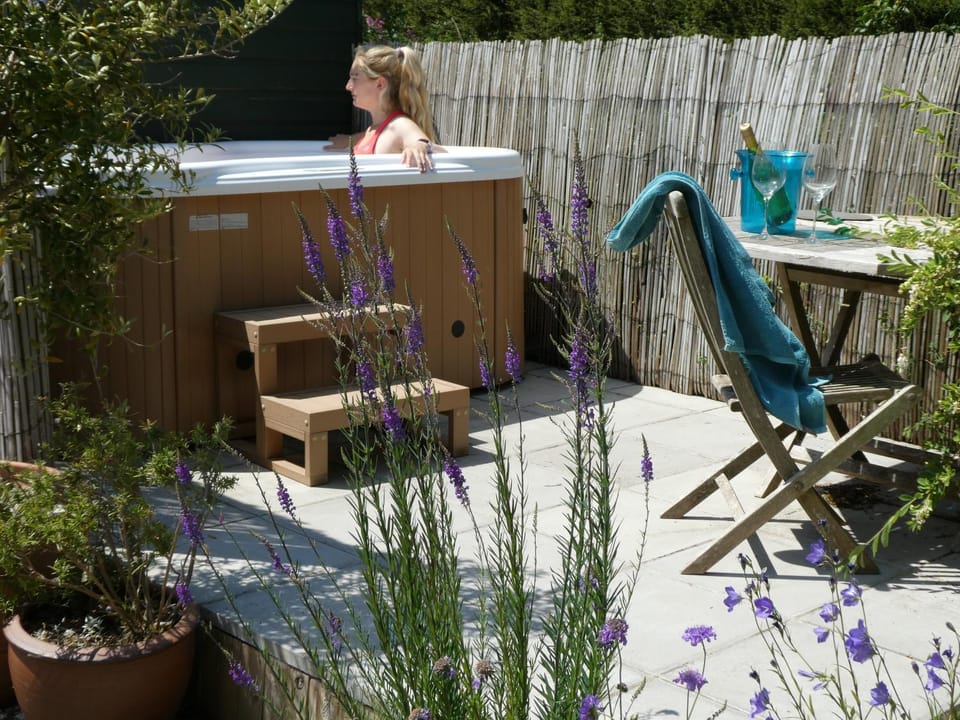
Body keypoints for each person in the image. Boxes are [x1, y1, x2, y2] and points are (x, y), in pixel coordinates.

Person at [326, 45, 444, 173]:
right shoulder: (376, 129)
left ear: (380, 84)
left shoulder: (400, 125)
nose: (348, 86)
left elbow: (426, 144)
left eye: (355, 78)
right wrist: (351, 140)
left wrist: (419, 145)